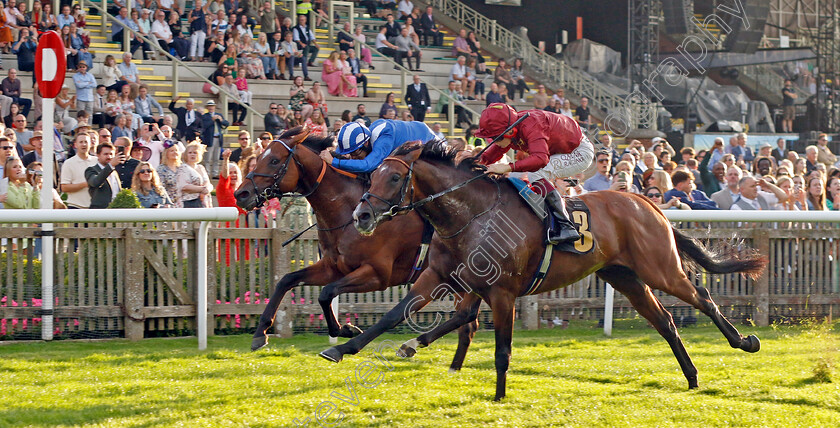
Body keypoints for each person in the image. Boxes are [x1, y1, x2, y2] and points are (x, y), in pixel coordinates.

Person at [475, 103, 595, 243]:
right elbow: (488, 156)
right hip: (561, 151)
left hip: (578, 152)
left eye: (496, 138)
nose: (493, 141)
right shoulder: (510, 129)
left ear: (509, 131)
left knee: (536, 173)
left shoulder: (532, 124)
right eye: (490, 138)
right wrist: (472, 163)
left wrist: (508, 167)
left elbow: (540, 159)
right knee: (535, 173)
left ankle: (567, 227)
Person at [320, 118, 435, 174]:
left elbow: (367, 165)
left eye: (355, 153)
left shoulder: (384, 138)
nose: (353, 157)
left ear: (365, 143)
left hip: (430, 143)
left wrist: (334, 161)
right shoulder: (367, 137)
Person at [84, 142, 123, 209]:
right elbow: (95, 182)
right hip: (99, 212)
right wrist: (110, 166)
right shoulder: (91, 170)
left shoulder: (114, 172)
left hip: (115, 211)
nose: (109, 157)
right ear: (98, 155)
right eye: (105, 154)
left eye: (111, 154)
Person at [199, 99, 228, 177]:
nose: (211, 107)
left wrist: (221, 120)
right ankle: (207, 173)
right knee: (208, 158)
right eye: (209, 106)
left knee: (216, 158)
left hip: (218, 138)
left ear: (214, 107)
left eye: (212, 106)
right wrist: (212, 120)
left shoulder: (219, 115)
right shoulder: (205, 116)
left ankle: (215, 173)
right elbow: (204, 126)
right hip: (209, 139)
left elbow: (226, 124)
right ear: (207, 107)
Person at [179, 141, 213, 208]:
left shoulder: (201, 167)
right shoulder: (183, 168)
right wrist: (203, 189)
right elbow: (184, 187)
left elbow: (208, 183)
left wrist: (208, 189)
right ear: (186, 155)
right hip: (189, 202)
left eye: (195, 153)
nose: (192, 155)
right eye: (190, 153)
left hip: (204, 201)